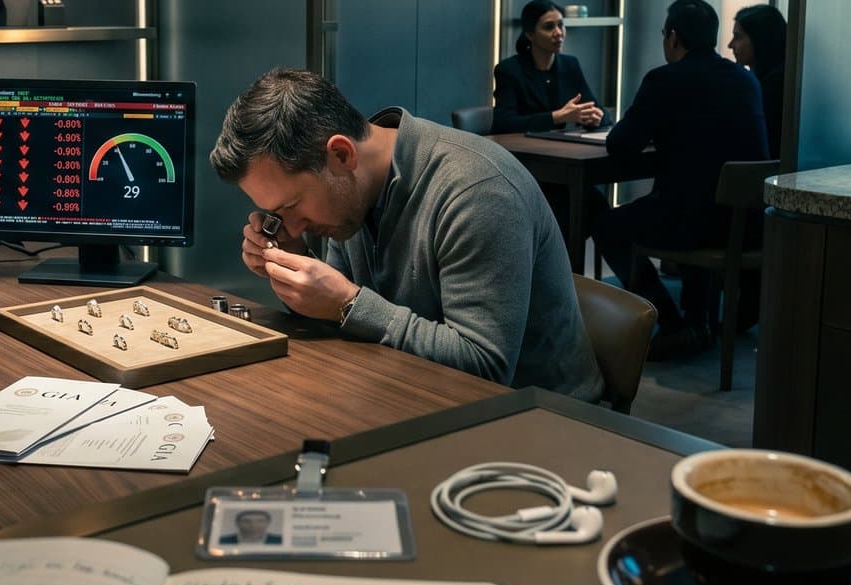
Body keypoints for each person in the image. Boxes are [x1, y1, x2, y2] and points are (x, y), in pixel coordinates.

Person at [210, 68, 603, 402]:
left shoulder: (478, 191)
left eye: (290, 208)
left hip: (539, 419)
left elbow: (484, 369)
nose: (292, 227)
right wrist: (299, 271)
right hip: (411, 391)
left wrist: (346, 303)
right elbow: (351, 322)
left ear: (341, 155)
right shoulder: (348, 196)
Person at [593, 0, 768, 357]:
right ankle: (697, 320)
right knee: (691, 200)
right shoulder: (745, 79)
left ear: (673, 37)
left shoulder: (665, 79)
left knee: (608, 225)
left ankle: (672, 323)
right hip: (746, 223)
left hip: (691, 223)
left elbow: (621, 144)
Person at [491, 0, 603, 133]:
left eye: (561, 25)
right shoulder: (509, 70)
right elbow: (503, 124)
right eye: (549, 27)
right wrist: (556, 117)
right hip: (522, 149)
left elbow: (596, 109)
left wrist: (596, 118)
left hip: (560, 148)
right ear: (530, 35)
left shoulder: (570, 65)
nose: (559, 33)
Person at [729, 3, 788, 159]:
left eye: (738, 37)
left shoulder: (773, 86)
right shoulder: (772, 79)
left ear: (760, 39)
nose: (731, 45)